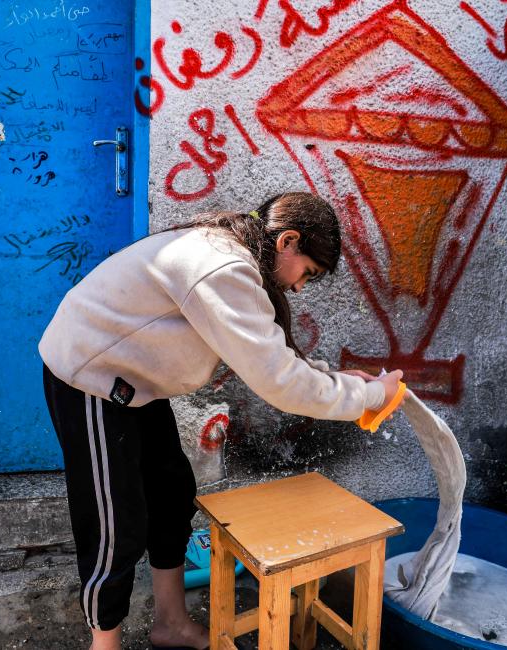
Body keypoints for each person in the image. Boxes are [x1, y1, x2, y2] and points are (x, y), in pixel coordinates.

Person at [38, 192, 404, 650]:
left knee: (171, 495)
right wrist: (370, 396)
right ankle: (104, 644)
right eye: (307, 273)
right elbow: (281, 384)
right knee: (114, 523)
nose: (300, 287)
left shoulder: (235, 262)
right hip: (89, 376)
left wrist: (333, 378)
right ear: (288, 240)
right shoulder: (222, 267)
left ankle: (170, 624)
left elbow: (271, 354)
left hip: (133, 380)